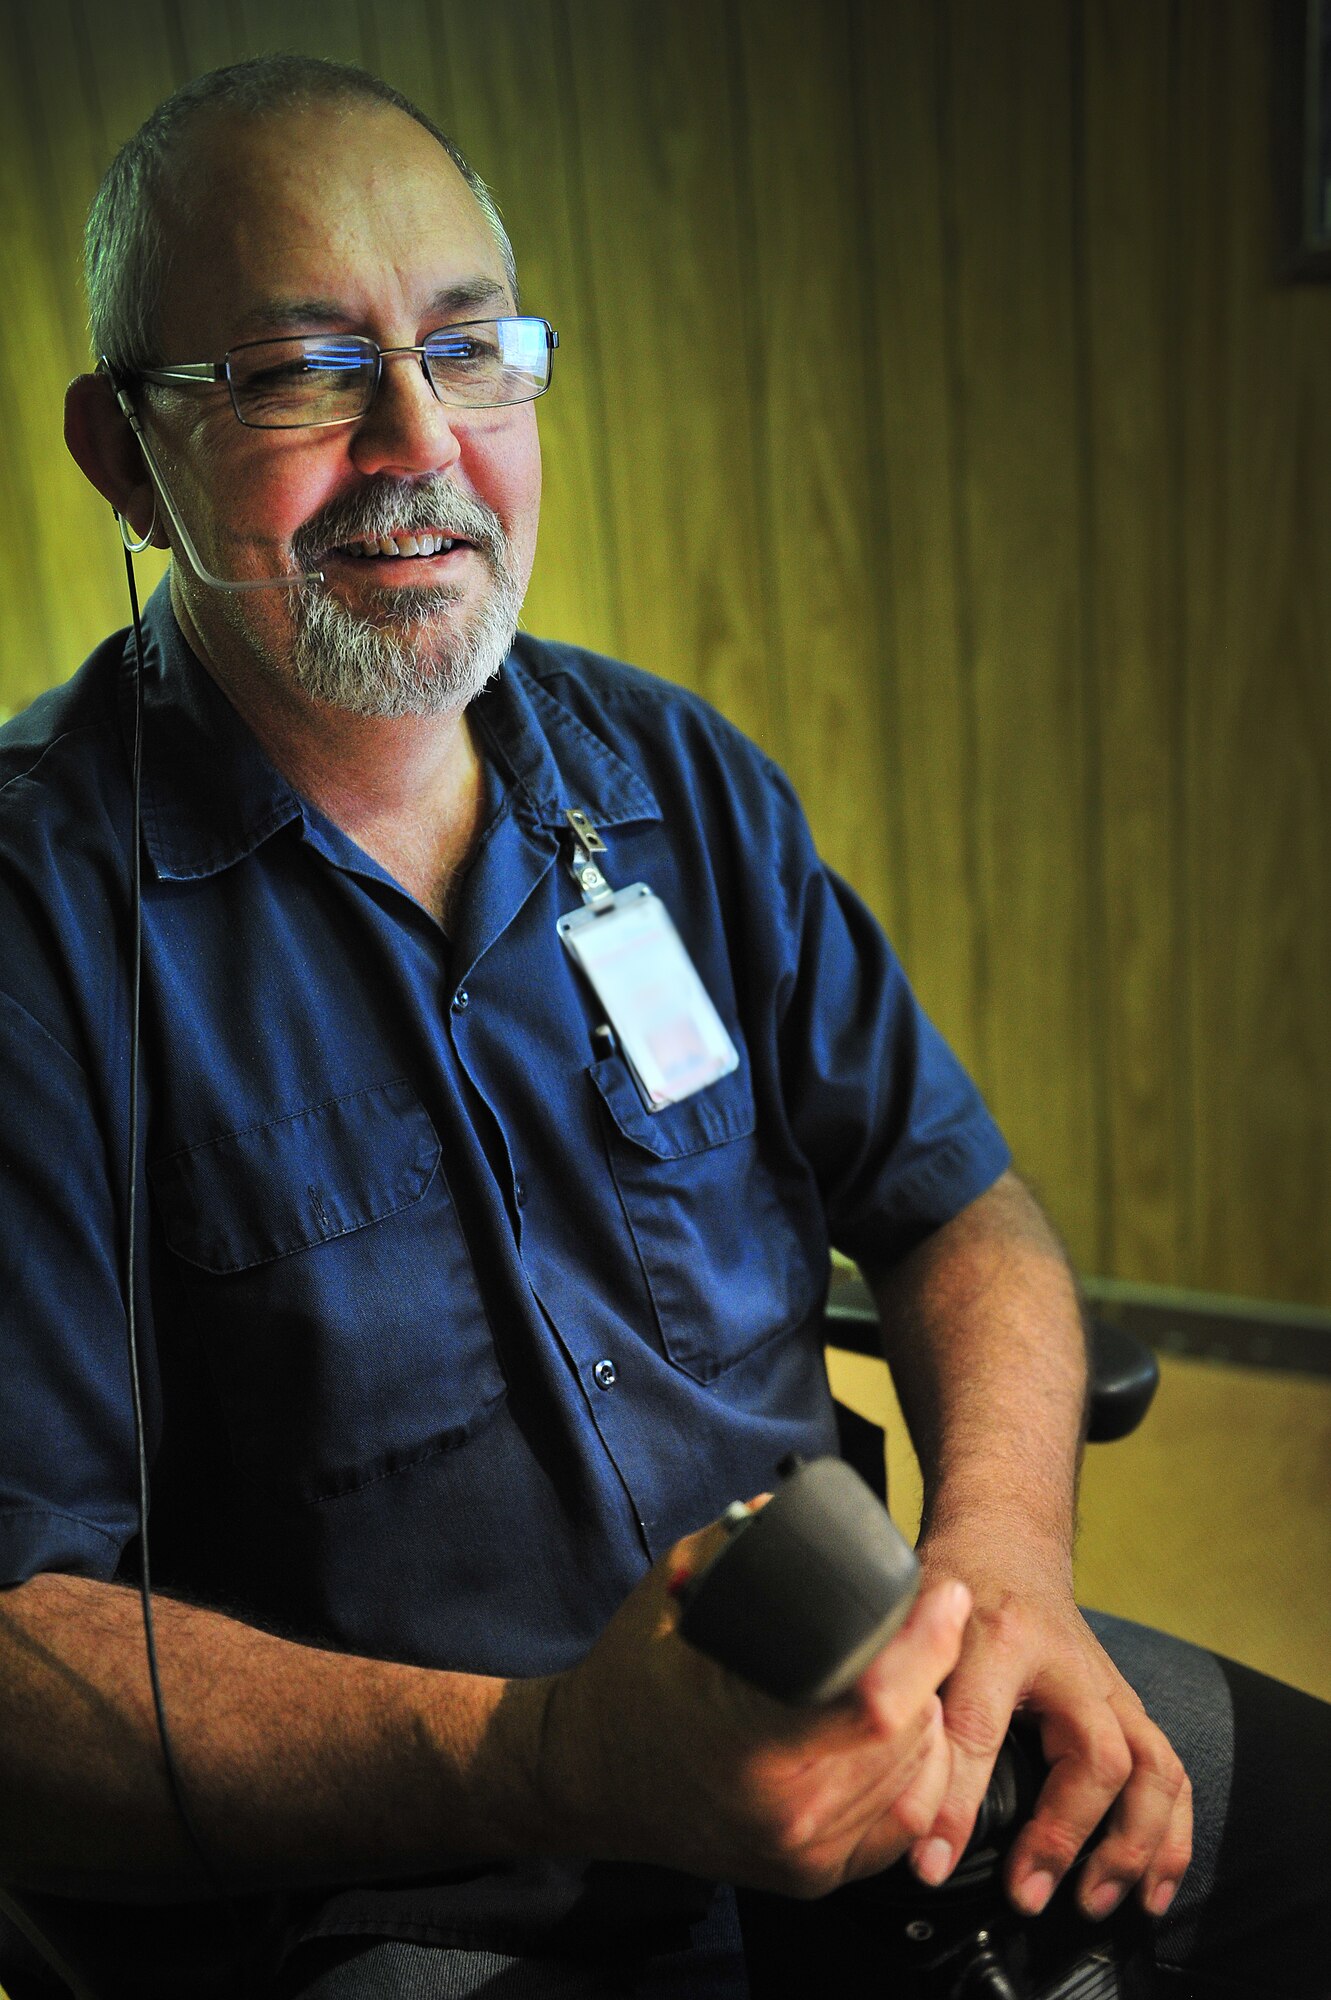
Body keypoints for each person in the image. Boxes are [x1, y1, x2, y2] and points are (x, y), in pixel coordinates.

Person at [0, 54, 1325, 2000]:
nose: (416, 441)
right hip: (419, 1876)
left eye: (472, 350)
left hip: (876, 1701)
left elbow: (962, 1208)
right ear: (129, 454)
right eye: (302, 371)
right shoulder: (38, 927)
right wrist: (552, 1757)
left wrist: (1007, 1571)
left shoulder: (665, 773)